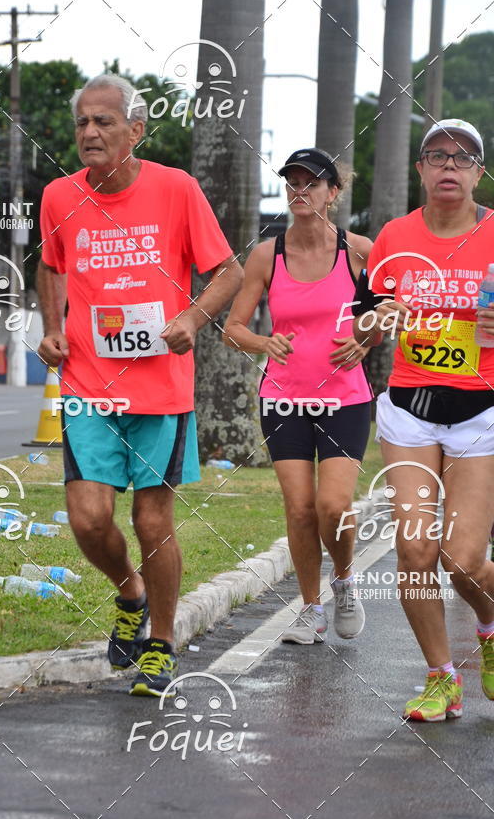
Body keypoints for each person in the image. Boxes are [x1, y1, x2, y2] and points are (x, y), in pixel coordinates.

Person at [37, 74, 242, 697]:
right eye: (83, 124)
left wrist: (191, 319)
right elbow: (50, 265)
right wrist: (52, 329)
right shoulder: (57, 196)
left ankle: (160, 643)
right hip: (89, 384)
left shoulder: (175, 190)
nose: (91, 133)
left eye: (104, 122)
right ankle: (130, 589)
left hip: (161, 389)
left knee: (154, 521)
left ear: (136, 129)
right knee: (88, 517)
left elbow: (227, 273)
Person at [353, 118, 494, 721]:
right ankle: (442, 677)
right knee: (414, 550)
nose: (449, 167)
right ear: (420, 170)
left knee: (462, 559)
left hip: (480, 412)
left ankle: (488, 625)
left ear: (478, 173)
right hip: (410, 409)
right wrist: (378, 320)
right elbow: (360, 323)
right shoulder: (394, 236)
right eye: (437, 156)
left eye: (463, 159)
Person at [224, 147, 372, 646]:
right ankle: (311, 609)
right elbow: (233, 327)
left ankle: (345, 579)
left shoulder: (359, 251)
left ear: (333, 192)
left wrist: (365, 340)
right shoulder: (269, 253)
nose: (300, 191)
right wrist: (264, 343)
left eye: (312, 183)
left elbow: (391, 310)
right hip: (283, 398)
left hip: (345, 398)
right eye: (293, 182)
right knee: (300, 508)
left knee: (334, 506)